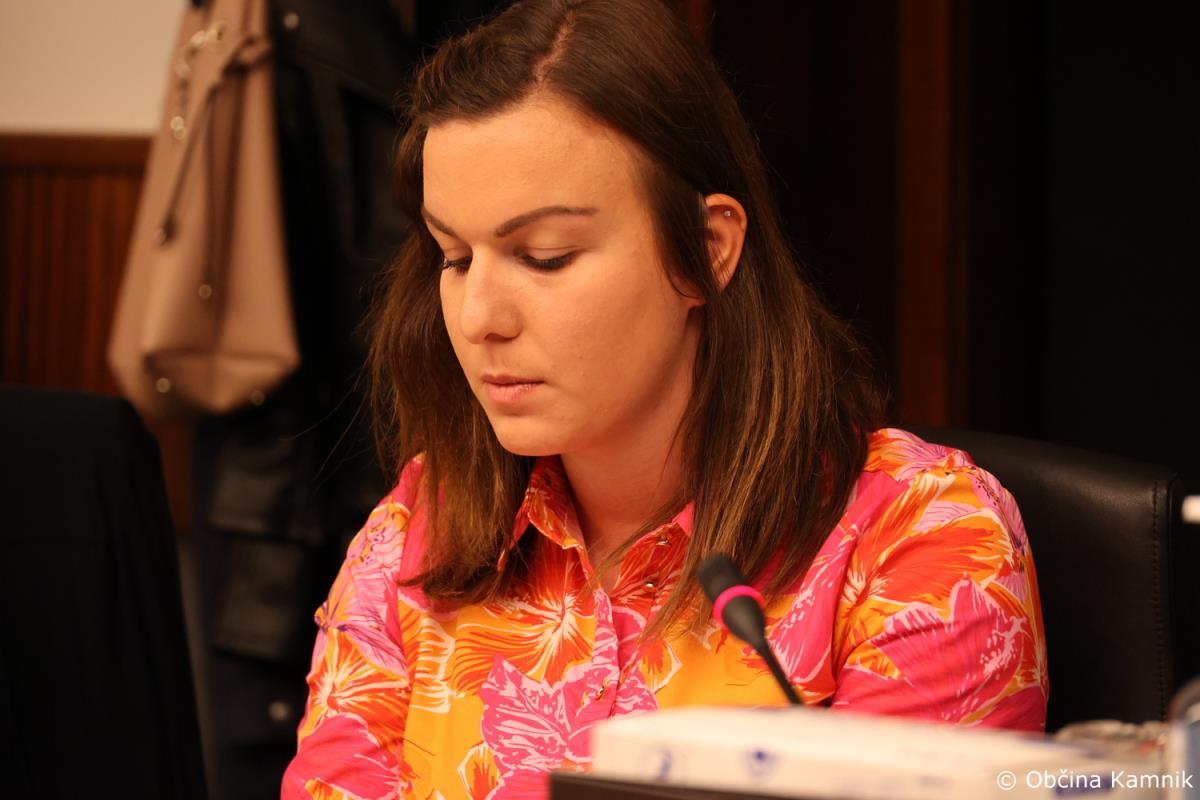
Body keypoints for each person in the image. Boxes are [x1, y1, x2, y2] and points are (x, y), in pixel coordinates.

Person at [282, 0, 1048, 797]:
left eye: (545, 257)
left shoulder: (918, 541)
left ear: (706, 252)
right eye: (455, 257)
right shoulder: (417, 527)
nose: (479, 319)